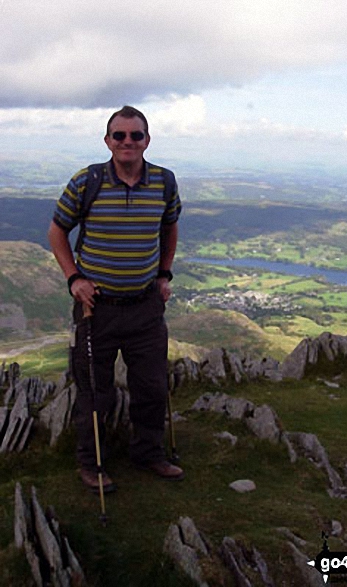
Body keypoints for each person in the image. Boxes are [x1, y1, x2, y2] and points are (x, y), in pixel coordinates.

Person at [48, 105, 184, 493]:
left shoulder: (164, 182)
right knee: (95, 391)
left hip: (145, 304)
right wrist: (74, 278)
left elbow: (170, 227)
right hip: (97, 308)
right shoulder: (86, 181)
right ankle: (91, 464)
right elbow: (57, 232)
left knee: (153, 386)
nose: (127, 142)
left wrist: (163, 274)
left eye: (135, 135)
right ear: (107, 140)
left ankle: (149, 453)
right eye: (119, 135)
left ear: (147, 140)